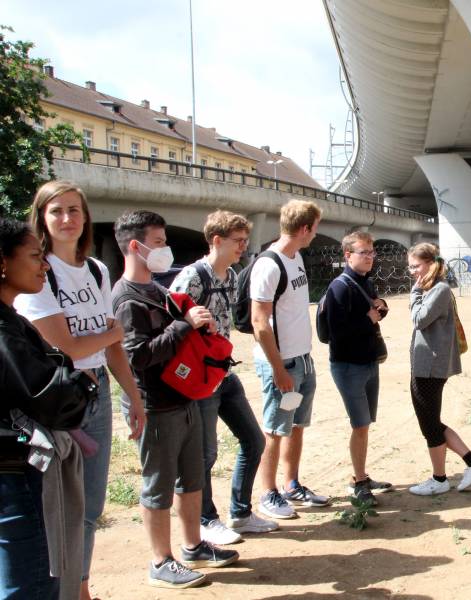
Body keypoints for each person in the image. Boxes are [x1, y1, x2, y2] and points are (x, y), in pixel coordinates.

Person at [13, 180, 145, 600]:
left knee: (90, 504)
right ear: (42, 218)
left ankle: (81, 590)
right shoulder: (37, 272)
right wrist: (108, 335)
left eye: (74, 210)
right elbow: (65, 347)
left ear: (86, 217)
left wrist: (134, 395)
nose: (67, 219)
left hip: (96, 394)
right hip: (56, 403)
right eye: (57, 211)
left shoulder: (96, 270)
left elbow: (112, 346)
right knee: (56, 508)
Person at [112, 210, 238, 590]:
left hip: (183, 398)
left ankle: (193, 545)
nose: (165, 249)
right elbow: (139, 356)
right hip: (156, 404)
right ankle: (160, 561)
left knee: (192, 477)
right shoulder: (126, 298)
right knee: (159, 484)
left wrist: (193, 319)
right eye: (159, 242)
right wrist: (185, 325)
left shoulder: (158, 289)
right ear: (135, 246)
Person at [169, 210, 276, 545]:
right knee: (204, 455)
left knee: (254, 440)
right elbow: (168, 325)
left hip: (222, 374)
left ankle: (241, 513)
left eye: (245, 240)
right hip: (199, 381)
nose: (243, 247)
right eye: (238, 241)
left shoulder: (230, 274)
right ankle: (205, 520)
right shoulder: (192, 277)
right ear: (217, 240)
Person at [1, 217, 70, 599]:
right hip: (12, 471)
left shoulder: (14, 322)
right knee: (31, 583)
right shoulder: (6, 332)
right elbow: (54, 396)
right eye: (34, 255)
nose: (44, 265)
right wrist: (77, 387)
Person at [251, 199, 330, 519]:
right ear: (304, 229)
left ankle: (291, 484)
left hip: (302, 361)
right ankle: (268, 493)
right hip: (283, 365)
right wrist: (278, 368)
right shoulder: (269, 265)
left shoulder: (295, 256)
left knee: (296, 425)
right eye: (315, 229)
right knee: (275, 429)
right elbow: (259, 322)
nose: (315, 235)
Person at [406, 243, 471, 495]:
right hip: (426, 365)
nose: (412, 272)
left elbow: (419, 319)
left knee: (429, 423)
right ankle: (470, 464)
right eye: (410, 267)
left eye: (416, 266)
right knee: (430, 422)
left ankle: (443, 477)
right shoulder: (434, 288)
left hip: (430, 367)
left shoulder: (438, 289)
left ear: (431, 263)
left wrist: (415, 292)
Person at [323, 231, 393, 506]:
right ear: (347, 255)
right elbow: (336, 332)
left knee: (364, 425)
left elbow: (374, 312)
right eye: (363, 252)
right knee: (360, 424)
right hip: (348, 365)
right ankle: (359, 482)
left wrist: (381, 307)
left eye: (372, 252)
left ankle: (362, 475)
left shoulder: (365, 281)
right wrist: (369, 318)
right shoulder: (340, 287)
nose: (369, 258)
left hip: (368, 362)